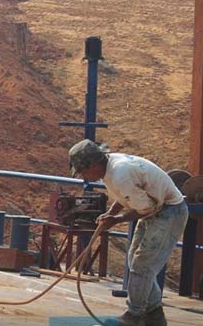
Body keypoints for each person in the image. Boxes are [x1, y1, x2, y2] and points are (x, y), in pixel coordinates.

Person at [69, 139, 188, 326]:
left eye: (83, 171)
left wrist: (116, 220)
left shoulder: (120, 174)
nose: (83, 176)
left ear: (92, 165)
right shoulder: (110, 169)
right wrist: (110, 213)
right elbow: (124, 196)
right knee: (135, 260)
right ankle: (155, 316)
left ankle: (134, 315)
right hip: (156, 210)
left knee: (143, 266)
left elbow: (147, 208)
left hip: (168, 212)